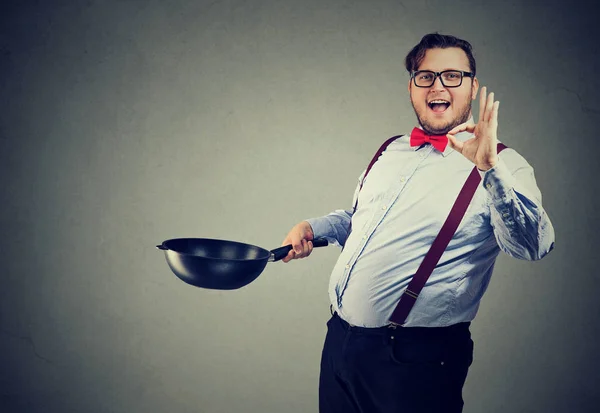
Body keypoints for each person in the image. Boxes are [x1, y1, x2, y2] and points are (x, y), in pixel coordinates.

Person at [280, 33, 555, 413]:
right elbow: (361, 222)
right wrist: (314, 227)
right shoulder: (390, 150)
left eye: (452, 76)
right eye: (425, 76)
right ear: (412, 86)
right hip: (340, 344)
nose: (438, 85)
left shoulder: (505, 165)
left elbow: (532, 245)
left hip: (414, 362)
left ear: (473, 87)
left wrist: (489, 169)